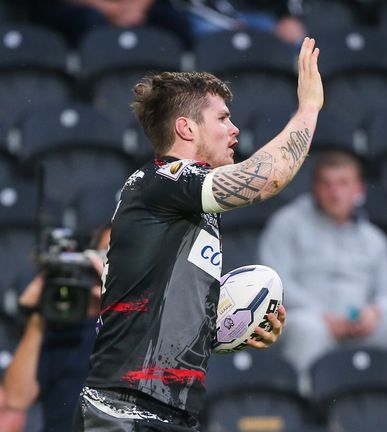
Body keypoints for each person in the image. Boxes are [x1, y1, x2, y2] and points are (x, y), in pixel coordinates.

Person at [72, 37, 323, 431]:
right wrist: (308, 109)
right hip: (120, 413)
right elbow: (269, 177)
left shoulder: (184, 205)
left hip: (169, 413)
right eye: (222, 118)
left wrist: (235, 327)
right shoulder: (162, 179)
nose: (235, 129)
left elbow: (157, 318)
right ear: (186, 128)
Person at [259, 150, 387, 376]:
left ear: (358, 190)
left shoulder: (373, 238)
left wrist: (374, 312)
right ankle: (305, 407)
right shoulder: (287, 223)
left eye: (343, 183)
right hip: (311, 319)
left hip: (362, 327)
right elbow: (274, 281)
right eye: (326, 184)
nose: (334, 192)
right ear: (315, 188)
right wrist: (321, 314)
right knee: (306, 329)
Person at [3, 225, 110, 432]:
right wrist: (38, 314)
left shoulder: (152, 323)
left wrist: (118, 305)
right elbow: (16, 399)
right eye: (105, 251)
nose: (110, 260)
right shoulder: (65, 326)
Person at [29, 0, 194, 48]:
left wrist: (136, 7)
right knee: (88, 20)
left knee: (172, 19)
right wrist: (111, 10)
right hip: (87, 8)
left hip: (137, 7)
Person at [178, 0, 307, 46]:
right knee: (208, 33)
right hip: (208, 18)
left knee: (297, 36)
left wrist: (289, 16)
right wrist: (232, 22)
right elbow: (199, 6)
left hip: (261, 15)